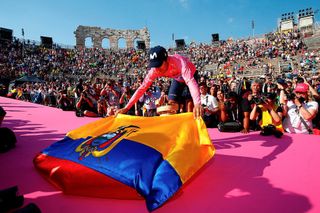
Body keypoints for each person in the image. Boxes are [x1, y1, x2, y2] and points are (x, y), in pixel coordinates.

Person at [115, 46, 203, 119]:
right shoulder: (154, 70)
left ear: (166, 60)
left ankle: (192, 127)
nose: (157, 69)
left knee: (189, 104)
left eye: (159, 64)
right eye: (154, 65)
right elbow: (142, 89)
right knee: (170, 104)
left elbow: (190, 81)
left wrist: (197, 104)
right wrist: (126, 107)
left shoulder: (179, 62)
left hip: (190, 75)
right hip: (177, 79)